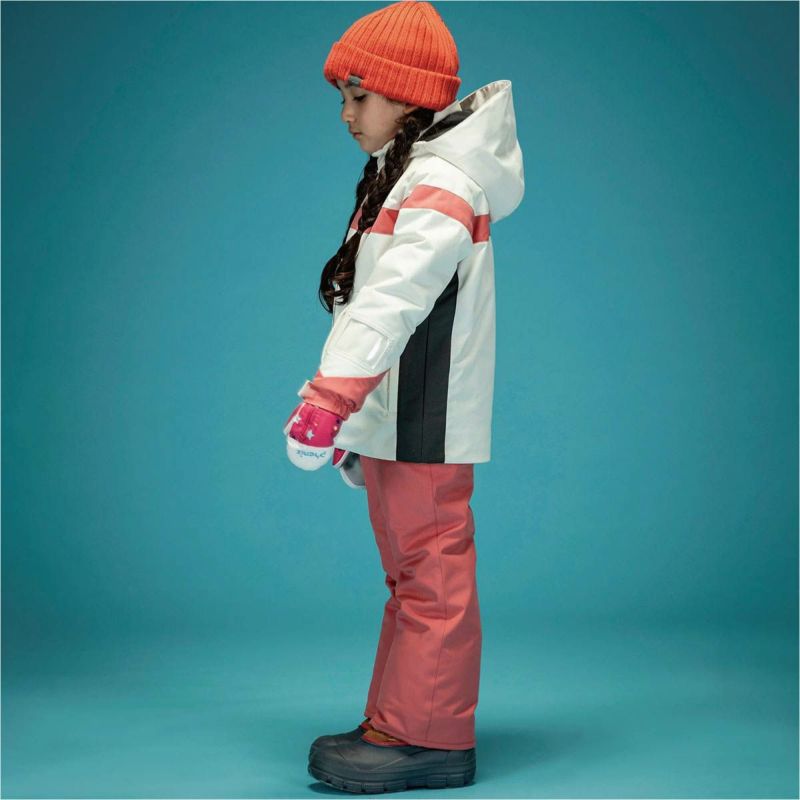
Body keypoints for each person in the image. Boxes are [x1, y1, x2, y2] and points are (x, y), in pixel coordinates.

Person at [282, 0, 525, 792]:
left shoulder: (440, 183)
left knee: (429, 573)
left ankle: (429, 736)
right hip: (399, 411)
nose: (347, 114)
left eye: (359, 94)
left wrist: (331, 399)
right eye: (342, 97)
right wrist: (357, 415)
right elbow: (377, 302)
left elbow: (395, 298)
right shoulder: (405, 175)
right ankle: (398, 720)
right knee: (412, 576)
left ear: (410, 96)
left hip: (424, 412)